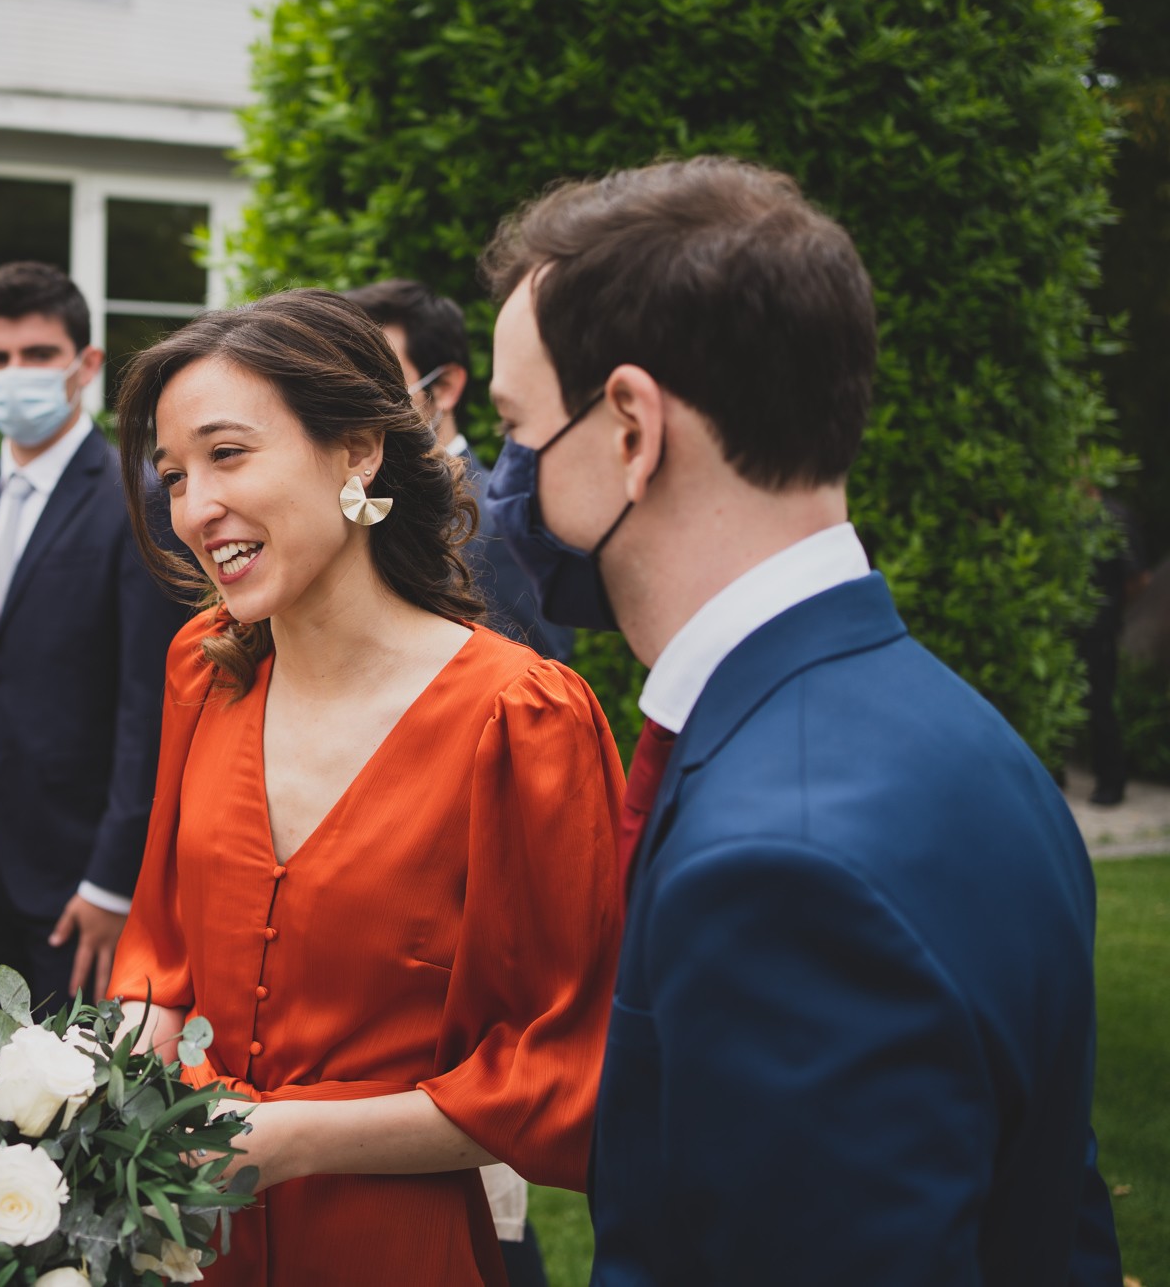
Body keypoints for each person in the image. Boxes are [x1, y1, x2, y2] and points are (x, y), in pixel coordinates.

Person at [479, 157, 1123, 1285]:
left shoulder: (777, 866)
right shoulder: (966, 734)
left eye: (517, 430)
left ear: (628, 425)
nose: (503, 480)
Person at [108, 289, 627, 1287]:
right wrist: (100, 1085)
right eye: (172, 476)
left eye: (228, 455)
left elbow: (561, 1065)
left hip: (391, 1254)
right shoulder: (202, 670)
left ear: (356, 451)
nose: (193, 507)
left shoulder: (522, 721)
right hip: (183, 1249)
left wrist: (295, 1139)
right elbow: (160, 950)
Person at [0, 261, 189, 1011]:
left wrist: (113, 880)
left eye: (38, 355)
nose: (15, 374)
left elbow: (150, 703)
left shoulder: (138, 498)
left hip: (80, 877)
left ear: (86, 364)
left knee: (70, 1103)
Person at [345, 278, 572, 662]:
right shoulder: (345, 507)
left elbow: (532, 676)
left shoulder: (503, 523)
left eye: (380, 382)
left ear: (445, 386)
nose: (360, 405)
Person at [1082, 488, 1147, 806]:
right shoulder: (1070, 517)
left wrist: (1113, 611)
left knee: (1101, 702)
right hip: (1072, 623)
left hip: (1101, 625)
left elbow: (1137, 579)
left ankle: (1111, 781)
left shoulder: (1115, 517)